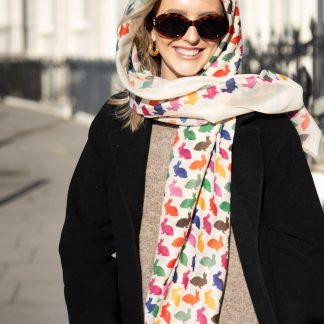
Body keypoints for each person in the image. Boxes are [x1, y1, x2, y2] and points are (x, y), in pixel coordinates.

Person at [58, 0, 324, 323]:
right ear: (152, 33)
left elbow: (302, 249)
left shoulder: (264, 122)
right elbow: (84, 249)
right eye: (174, 22)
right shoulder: (117, 125)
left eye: (208, 24)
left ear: (225, 34)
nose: (192, 36)